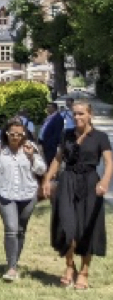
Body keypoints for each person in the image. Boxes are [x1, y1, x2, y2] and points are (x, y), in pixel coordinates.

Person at [42, 101, 113, 290]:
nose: (77, 117)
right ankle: (69, 266)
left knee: (87, 229)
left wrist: (104, 181)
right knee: (67, 227)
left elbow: (108, 162)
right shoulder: (67, 135)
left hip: (90, 183)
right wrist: (47, 180)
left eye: (81, 114)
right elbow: (58, 159)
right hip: (68, 181)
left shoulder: (100, 137)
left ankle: (84, 272)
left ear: (90, 115)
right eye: (75, 114)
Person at [0, 118, 46, 282]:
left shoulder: (30, 147)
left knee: (21, 229)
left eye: (19, 134)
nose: (16, 137)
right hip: (5, 194)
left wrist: (32, 157)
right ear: (6, 133)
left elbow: (41, 169)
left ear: (24, 134)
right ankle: (11, 267)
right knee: (11, 228)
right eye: (12, 134)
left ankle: (14, 262)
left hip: (27, 194)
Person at [39, 102, 64, 166]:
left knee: (50, 161)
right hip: (44, 143)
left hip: (51, 145)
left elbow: (57, 133)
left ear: (54, 108)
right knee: (46, 160)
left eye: (49, 107)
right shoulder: (49, 117)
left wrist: (52, 144)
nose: (47, 109)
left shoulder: (58, 118)